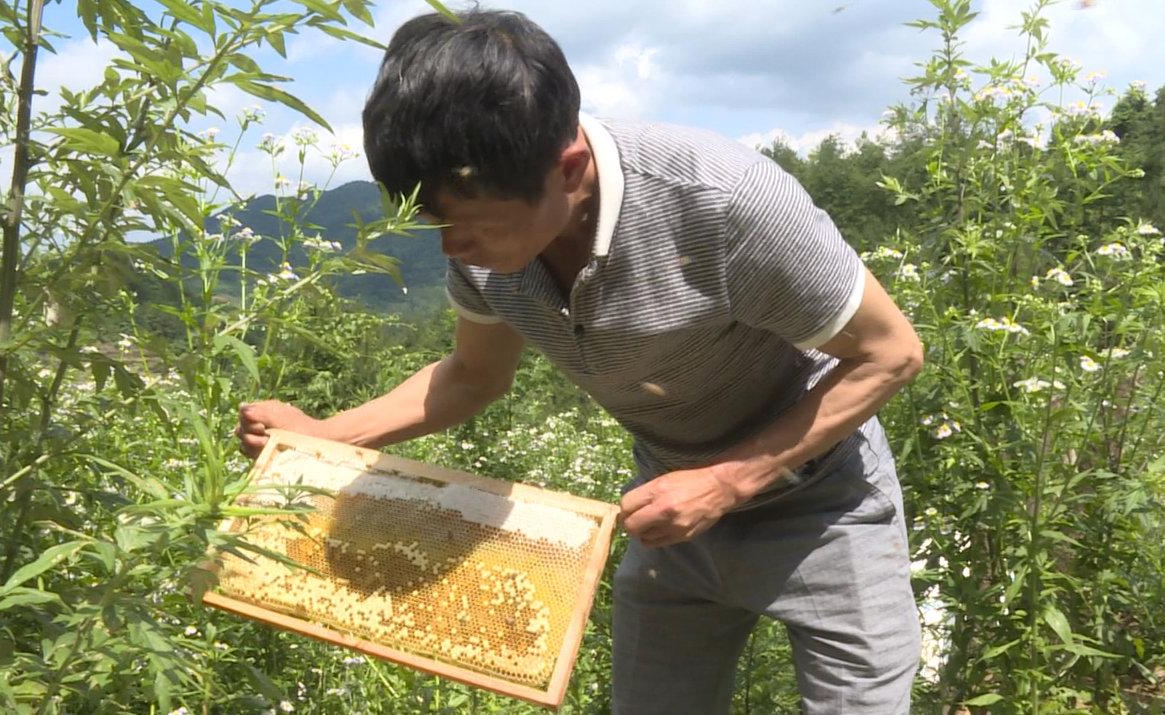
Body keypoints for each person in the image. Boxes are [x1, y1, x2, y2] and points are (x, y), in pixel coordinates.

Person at [236, 9, 924, 713]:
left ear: (568, 170)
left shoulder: (722, 203)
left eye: (472, 225)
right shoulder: (482, 254)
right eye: (432, 224)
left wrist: (726, 480)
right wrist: (319, 436)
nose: (450, 249)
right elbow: (471, 376)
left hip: (825, 502)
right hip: (667, 508)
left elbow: (890, 353)